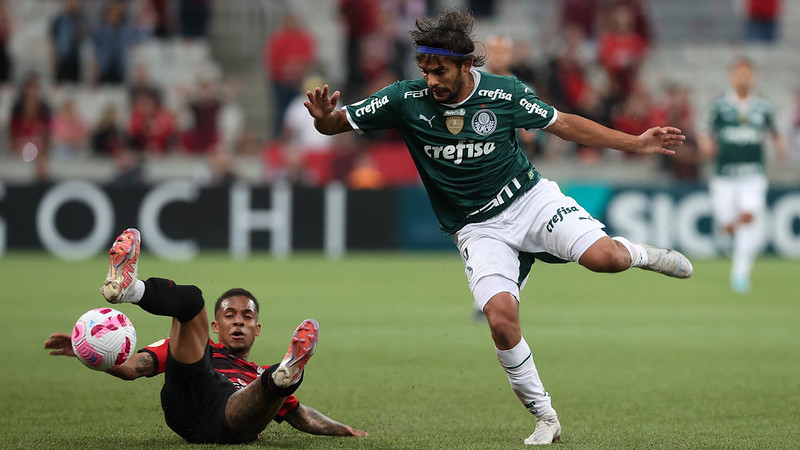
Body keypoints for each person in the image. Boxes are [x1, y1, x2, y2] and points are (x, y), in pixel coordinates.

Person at [303, 9, 693, 445]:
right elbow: (336, 124)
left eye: (440, 70)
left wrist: (635, 142)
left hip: (528, 200)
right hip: (477, 228)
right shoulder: (403, 98)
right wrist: (322, 117)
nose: (431, 80)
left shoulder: (504, 94)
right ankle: (546, 417)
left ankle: (640, 254)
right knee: (501, 321)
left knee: (607, 259)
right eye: (425, 70)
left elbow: (564, 124)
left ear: (466, 64)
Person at [45, 228, 367, 444]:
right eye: (230, 315)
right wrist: (97, 356)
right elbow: (134, 368)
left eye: (247, 317)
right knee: (192, 299)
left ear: (257, 329)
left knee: (270, 385)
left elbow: (303, 417)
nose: (238, 322)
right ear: (216, 326)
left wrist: (345, 430)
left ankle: (287, 376)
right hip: (186, 399)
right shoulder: (200, 348)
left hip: (230, 417)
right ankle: (130, 289)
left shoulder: (256, 374)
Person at [698, 57, 786, 294]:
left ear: (753, 76)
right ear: (731, 76)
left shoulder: (763, 107)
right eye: (739, 73)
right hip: (724, 175)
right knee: (727, 223)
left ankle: (740, 273)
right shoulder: (719, 106)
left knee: (749, 216)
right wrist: (706, 145)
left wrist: (780, 147)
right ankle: (739, 242)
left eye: (747, 74)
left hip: (753, 174)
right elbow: (703, 129)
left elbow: (776, 131)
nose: (743, 78)